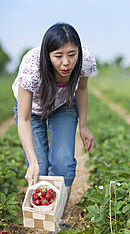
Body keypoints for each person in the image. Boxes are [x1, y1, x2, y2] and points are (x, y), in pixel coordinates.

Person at [12, 22, 96, 232]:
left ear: (78, 51)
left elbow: (82, 89)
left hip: (63, 105)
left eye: (71, 54)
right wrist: (32, 162)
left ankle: (55, 221)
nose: (66, 62)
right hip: (31, 111)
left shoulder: (84, 60)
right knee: (38, 169)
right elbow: (23, 119)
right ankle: (41, 219)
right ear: (47, 54)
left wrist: (83, 125)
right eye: (58, 56)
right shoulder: (32, 68)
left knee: (63, 163)